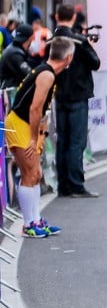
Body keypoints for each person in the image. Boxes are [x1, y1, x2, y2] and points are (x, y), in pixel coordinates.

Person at [5, 37, 74, 238]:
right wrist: (34, 138)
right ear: (68, 57)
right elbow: (35, 109)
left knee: (36, 174)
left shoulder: (48, 73)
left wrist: (41, 135)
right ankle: (28, 225)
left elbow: (43, 111)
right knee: (29, 173)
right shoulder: (46, 75)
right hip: (20, 123)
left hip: (28, 124)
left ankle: (35, 220)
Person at [50, 3, 102, 198]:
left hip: (60, 95)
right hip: (78, 95)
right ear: (73, 17)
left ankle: (63, 185)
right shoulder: (79, 41)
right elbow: (95, 63)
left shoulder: (52, 40)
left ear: (56, 16)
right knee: (76, 142)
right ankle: (76, 184)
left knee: (62, 141)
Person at [0, 25, 35, 89]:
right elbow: (29, 74)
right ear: (30, 38)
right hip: (10, 92)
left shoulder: (15, 48)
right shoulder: (15, 54)